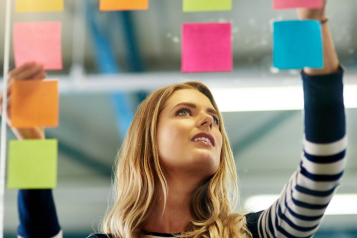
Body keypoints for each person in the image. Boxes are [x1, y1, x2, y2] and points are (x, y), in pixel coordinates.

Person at [0, 0, 347, 237]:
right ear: (147, 140)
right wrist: (32, 144)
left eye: (214, 117)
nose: (209, 122)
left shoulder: (255, 232)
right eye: (184, 112)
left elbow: (323, 167)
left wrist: (312, 23)